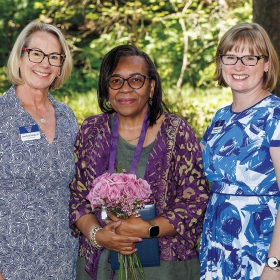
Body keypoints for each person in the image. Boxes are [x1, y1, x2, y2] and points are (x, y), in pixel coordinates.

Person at [69, 44, 209, 280]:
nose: (125, 89)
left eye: (135, 80)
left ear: (151, 86)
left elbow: (195, 200)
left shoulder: (176, 132)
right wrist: (98, 235)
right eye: (116, 81)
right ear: (106, 87)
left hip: (164, 268)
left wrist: (149, 228)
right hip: (100, 265)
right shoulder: (91, 131)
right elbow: (77, 197)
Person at [199, 22, 280, 280]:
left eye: (249, 58)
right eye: (231, 57)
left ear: (266, 64)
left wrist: (274, 265)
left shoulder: (275, 115)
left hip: (259, 250)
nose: (239, 66)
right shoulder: (220, 118)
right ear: (221, 63)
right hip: (217, 248)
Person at [0, 21, 79, 280]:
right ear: (21, 56)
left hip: (63, 259)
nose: (44, 63)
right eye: (36, 53)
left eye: (53, 57)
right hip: (11, 264)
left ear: (60, 66)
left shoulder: (67, 117)